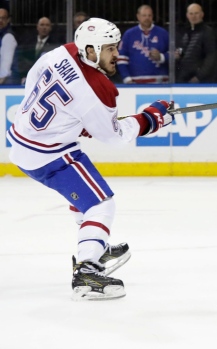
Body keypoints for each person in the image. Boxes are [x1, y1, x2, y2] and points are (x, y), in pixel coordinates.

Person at [6, 18, 174, 300]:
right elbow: (114, 136)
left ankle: (94, 244)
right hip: (50, 154)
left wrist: (68, 120)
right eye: (110, 49)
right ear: (92, 50)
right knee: (101, 204)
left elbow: (34, 78)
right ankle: (87, 270)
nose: (116, 55)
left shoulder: (63, 51)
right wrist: (149, 120)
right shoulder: (98, 87)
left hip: (23, 141)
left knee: (84, 198)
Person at [118, 4, 170, 84]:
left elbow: (174, 54)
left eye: (149, 15)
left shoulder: (163, 33)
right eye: (144, 15)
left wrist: (161, 57)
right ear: (138, 16)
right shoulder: (129, 34)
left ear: (152, 16)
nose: (147, 18)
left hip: (160, 83)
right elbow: (121, 58)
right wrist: (127, 78)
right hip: (135, 83)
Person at [175, 3, 217, 83]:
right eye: (191, 14)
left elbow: (211, 56)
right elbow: (181, 51)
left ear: (202, 14)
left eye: (196, 13)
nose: (193, 16)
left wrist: (199, 77)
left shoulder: (208, 32)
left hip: (199, 79)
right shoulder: (185, 32)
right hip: (183, 78)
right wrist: (178, 55)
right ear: (187, 15)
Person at [18, 16, 61, 84]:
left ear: (50, 28)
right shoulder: (28, 42)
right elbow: (23, 60)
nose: (44, 27)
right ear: (37, 27)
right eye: (42, 25)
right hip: (28, 77)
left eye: (47, 25)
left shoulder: (54, 44)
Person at [0, 7, 19, 84]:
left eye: (3, 18)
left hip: (8, 84)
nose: (0, 20)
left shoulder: (8, 37)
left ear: (8, 20)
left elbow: (5, 70)